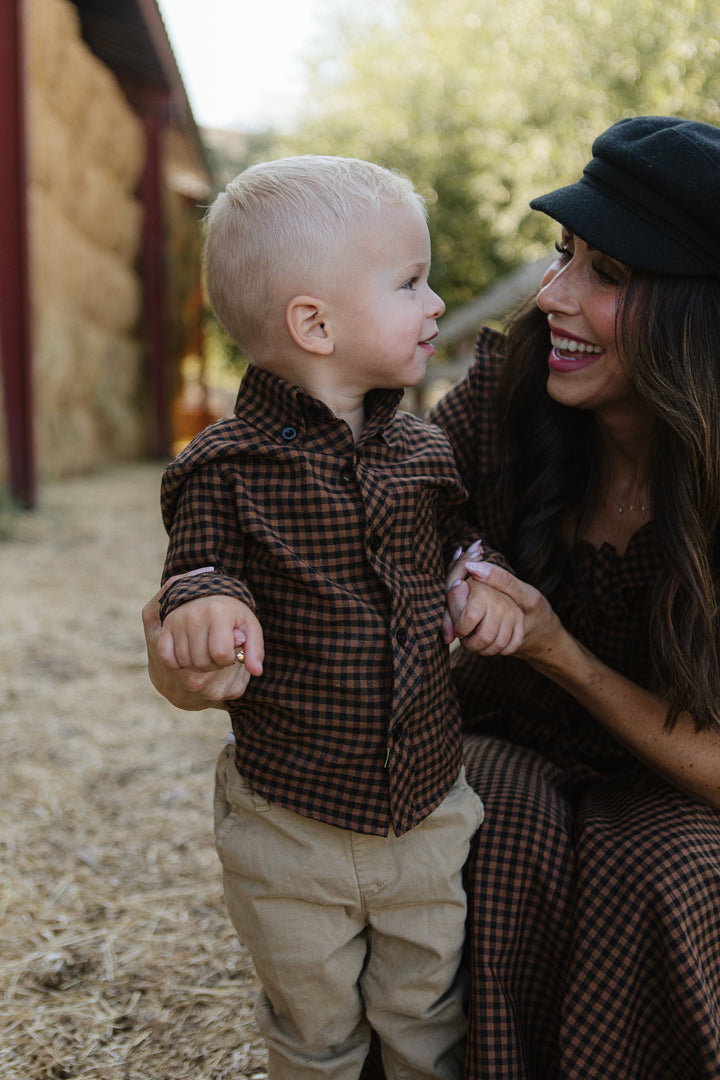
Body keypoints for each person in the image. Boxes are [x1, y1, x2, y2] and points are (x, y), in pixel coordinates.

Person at [144, 115, 720, 1080]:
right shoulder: (490, 405)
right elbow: (292, 534)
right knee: (486, 822)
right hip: (493, 734)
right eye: (560, 254)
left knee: (665, 874)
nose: (553, 295)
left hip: (672, 774)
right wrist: (180, 647)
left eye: (606, 275)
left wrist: (557, 647)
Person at [153, 154, 515, 1080]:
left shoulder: (424, 449)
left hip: (429, 808)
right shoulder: (222, 470)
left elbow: (462, 546)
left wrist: (477, 586)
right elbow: (198, 571)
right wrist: (210, 606)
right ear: (314, 323)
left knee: (427, 1012)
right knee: (313, 1027)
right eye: (410, 282)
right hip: (291, 822)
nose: (436, 303)